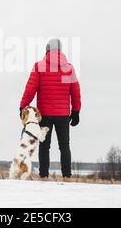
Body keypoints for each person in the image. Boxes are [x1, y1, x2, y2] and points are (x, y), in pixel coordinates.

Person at [19, 38, 81, 178]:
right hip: (63, 115)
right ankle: (67, 177)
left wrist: (23, 106)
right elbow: (75, 91)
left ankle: (44, 176)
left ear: (47, 49)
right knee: (64, 146)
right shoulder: (68, 68)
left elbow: (30, 89)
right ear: (60, 50)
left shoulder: (39, 66)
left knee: (44, 146)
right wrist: (76, 111)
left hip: (45, 115)